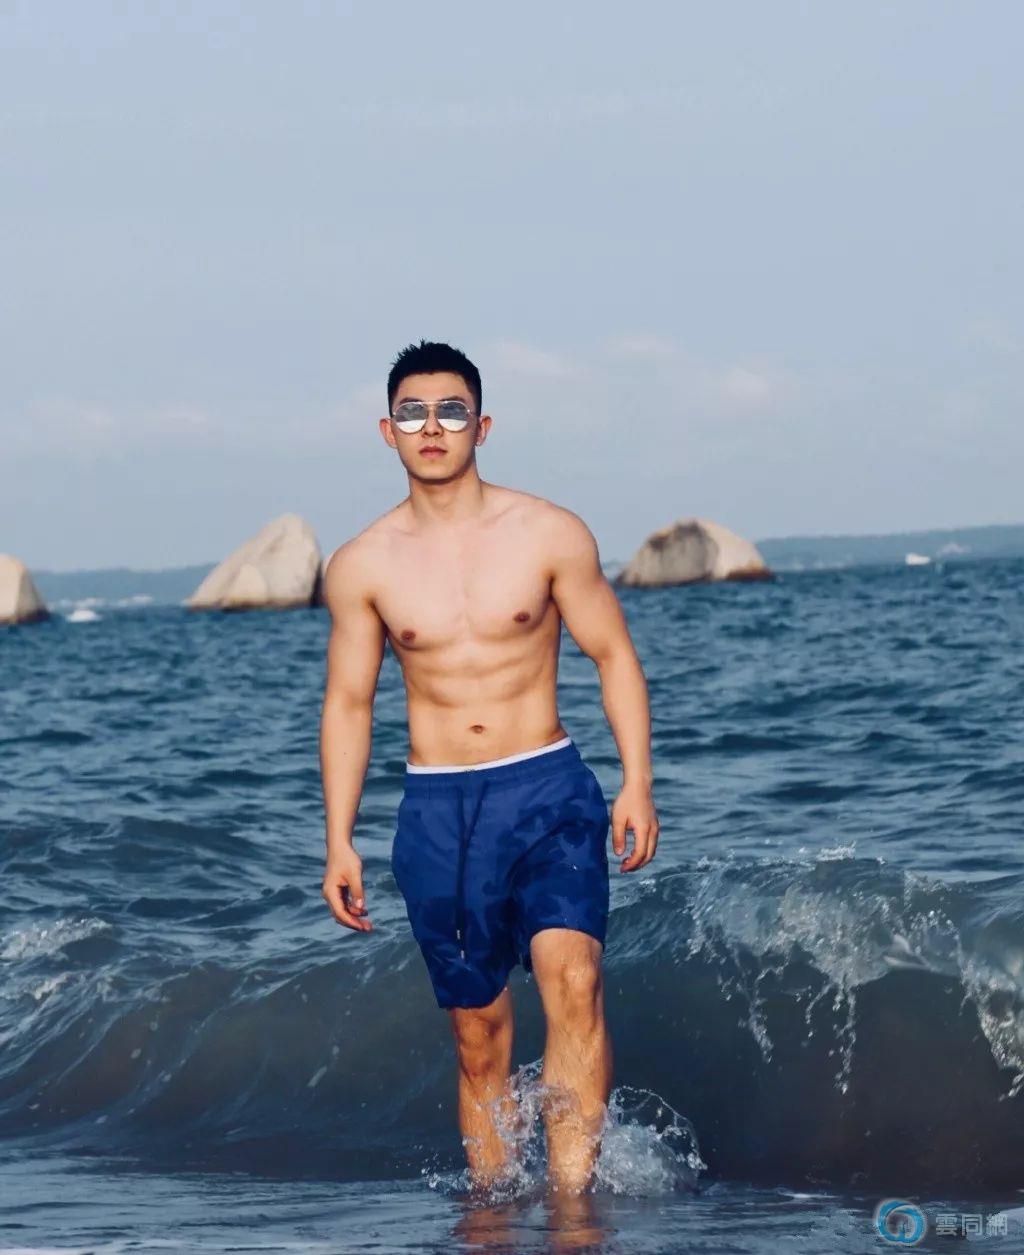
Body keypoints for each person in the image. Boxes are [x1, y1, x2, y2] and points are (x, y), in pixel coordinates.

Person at [319, 339, 659, 1194]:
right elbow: (350, 702)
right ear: (387, 431)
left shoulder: (549, 533)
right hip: (439, 810)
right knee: (479, 1035)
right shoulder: (362, 563)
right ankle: (495, 1210)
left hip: (547, 788)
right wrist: (339, 839)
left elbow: (613, 653)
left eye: (451, 411)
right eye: (412, 413)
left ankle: (574, 1207)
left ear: (483, 425)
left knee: (574, 979)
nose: (431, 427)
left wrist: (637, 780)